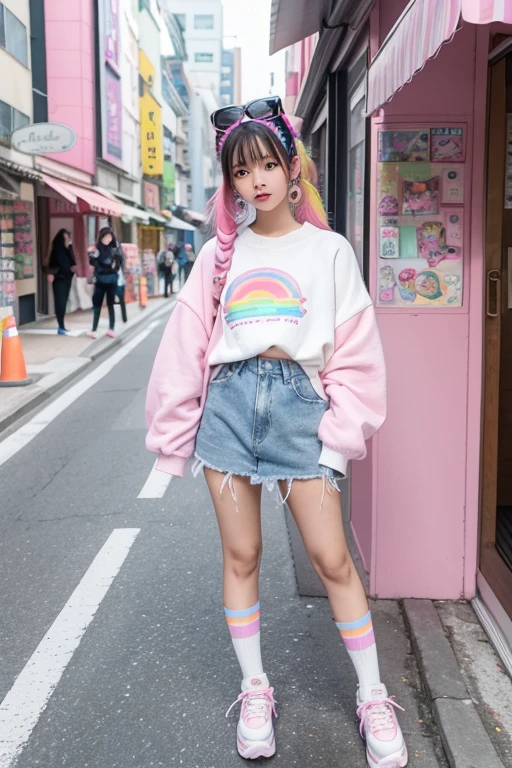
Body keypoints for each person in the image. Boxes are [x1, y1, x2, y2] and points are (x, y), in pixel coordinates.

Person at [146, 96, 407, 767]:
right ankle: (255, 688)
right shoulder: (217, 257)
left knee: (332, 559)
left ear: (293, 168)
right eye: (241, 170)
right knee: (242, 557)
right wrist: (174, 437)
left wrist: (339, 437)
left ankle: (373, 696)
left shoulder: (328, 251)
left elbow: (355, 354)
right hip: (229, 410)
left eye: (267, 163)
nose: (256, 179)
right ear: (229, 183)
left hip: (299, 408)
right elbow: (186, 346)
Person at [87, 227, 123, 339]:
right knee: (97, 304)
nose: (107, 239)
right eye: (105, 237)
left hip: (111, 280)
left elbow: (120, 261)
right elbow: (93, 261)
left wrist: (114, 266)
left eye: (109, 237)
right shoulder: (98, 248)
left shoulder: (115, 248)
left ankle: (111, 329)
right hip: (100, 280)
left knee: (111, 304)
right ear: (101, 238)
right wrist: (94, 259)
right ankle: (94, 329)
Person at [48, 228, 76, 335]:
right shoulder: (56, 249)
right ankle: (61, 326)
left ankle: (62, 325)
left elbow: (73, 262)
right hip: (59, 279)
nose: (67, 239)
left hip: (67, 279)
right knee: (60, 302)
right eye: (66, 237)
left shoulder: (68, 249)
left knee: (64, 302)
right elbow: (52, 263)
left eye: (68, 237)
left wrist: (69, 247)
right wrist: (51, 274)